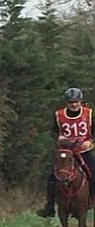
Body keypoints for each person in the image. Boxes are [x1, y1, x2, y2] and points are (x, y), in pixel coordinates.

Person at [36, 87, 95, 218]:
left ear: (81, 102)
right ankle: (50, 206)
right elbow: (53, 131)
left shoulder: (89, 114)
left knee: (94, 172)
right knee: (53, 177)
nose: (74, 104)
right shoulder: (59, 115)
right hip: (66, 152)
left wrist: (90, 141)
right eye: (71, 102)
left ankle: (91, 200)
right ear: (67, 103)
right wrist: (58, 138)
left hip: (84, 150)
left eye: (76, 102)